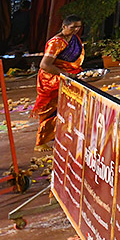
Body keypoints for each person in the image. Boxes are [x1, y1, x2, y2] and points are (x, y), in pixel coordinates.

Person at [31, 15, 85, 149]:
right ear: (64, 26)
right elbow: (45, 65)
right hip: (52, 80)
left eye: (78, 27)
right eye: (72, 27)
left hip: (68, 77)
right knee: (51, 110)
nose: (76, 30)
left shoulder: (73, 39)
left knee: (69, 107)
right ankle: (41, 141)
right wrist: (65, 74)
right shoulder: (56, 42)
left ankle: (62, 134)